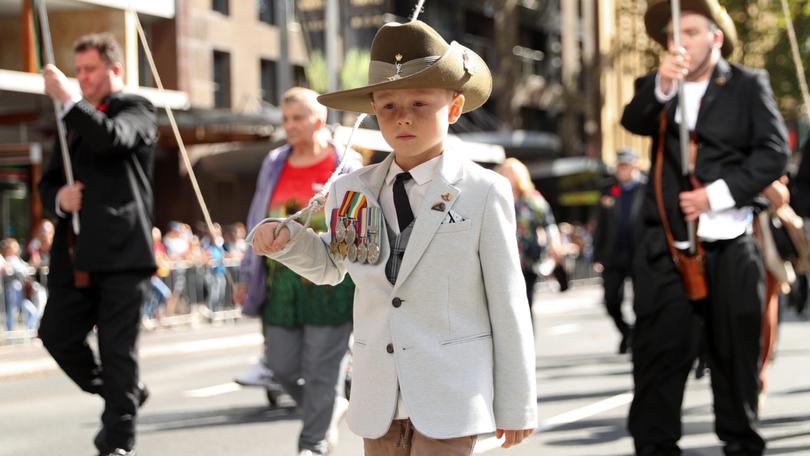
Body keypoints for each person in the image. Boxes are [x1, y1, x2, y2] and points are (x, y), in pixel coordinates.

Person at [250, 19, 537, 455]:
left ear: (454, 108)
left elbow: (508, 302)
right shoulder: (351, 189)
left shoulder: (484, 191)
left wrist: (517, 403)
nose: (403, 116)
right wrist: (286, 242)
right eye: (387, 106)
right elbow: (333, 266)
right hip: (378, 392)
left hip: (451, 391)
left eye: (420, 103)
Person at [621, 1, 789, 455]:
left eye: (692, 32)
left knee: (735, 361)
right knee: (658, 360)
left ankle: (741, 442)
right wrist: (663, 84)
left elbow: (773, 153)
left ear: (715, 37)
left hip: (730, 241)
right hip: (667, 248)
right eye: (675, 35)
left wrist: (715, 194)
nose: (681, 42)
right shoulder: (656, 87)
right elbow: (632, 120)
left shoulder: (748, 85)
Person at [37, 33, 157, 456]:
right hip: (76, 256)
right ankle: (124, 392)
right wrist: (58, 199)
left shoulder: (138, 109)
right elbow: (49, 180)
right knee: (56, 335)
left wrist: (70, 101)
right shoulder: (70, 119)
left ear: (115, 69)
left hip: (123, 254)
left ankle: (118, 442)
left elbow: (112, 138)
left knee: (117, 350)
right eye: (78, 72)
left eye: (90, 70)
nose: (82, 78)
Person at [234, 87, 360, 455]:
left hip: (329, 285)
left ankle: (313, 444)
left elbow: (352, 225)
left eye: (297, 118)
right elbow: (258, 216)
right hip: (280, 285)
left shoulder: (345, 163)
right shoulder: (274, 161)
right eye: (285, 119)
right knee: (280, 364)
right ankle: (326, 409)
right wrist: (246, 274)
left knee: (323, 368)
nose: (289, 126)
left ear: (318, 119)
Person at [592, 148, 645, 354]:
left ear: (635, 166)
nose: (622, 169)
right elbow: (601, 225)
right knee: (611, 300)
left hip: (640, 254)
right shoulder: (608, 189)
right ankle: (627, 331)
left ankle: (638, 338)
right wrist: (597, 255)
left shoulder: (646, 187)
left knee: (641, 302)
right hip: (613, 254)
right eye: (619, 165)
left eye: (626, 165)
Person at [496, 157, 558, 310]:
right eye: (504, 172)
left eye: (511, 173)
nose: (507, 177)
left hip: (527, 259)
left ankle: (527, 333)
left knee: (525, 301)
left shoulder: (532, 199)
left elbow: (548, 222)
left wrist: (554, 245)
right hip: (502, 257)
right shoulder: (495, 197)